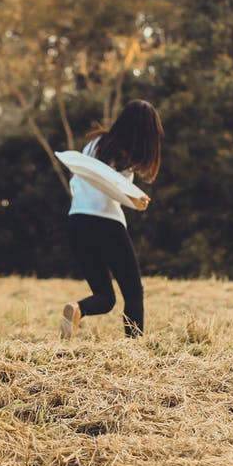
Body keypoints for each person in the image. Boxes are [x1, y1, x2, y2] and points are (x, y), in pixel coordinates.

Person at [59, 99, 163, 340]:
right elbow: (117, 189)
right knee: (134, 293)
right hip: (106, 222)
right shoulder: (126, 154)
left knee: (105, 297)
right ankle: (134, 349)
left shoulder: (94, 145)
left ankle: (77, 308)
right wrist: (137, 199)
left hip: (76, 221)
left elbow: (85, 179)